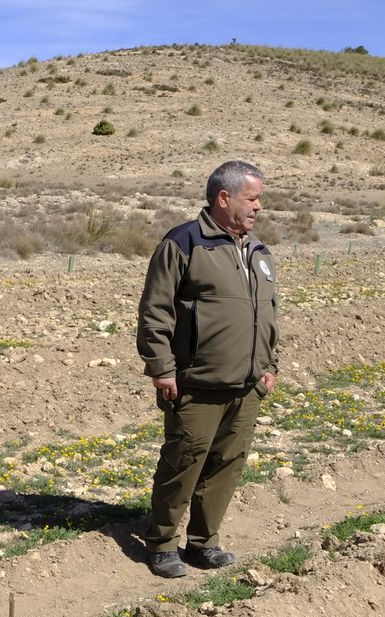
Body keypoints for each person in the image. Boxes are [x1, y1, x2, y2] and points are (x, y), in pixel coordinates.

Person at [136, 160, 277, 579]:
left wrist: (270, 364)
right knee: (184, 462)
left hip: (248, 384)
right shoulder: (185, 243)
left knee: (226, 465)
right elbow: (154, 311)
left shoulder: (257, 251)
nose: (258, 207)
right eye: (252, 199)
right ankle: (161, 544)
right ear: (224, 198)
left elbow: (267, 314)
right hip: (194, 383)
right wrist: (162, 369)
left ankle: (203, 542)